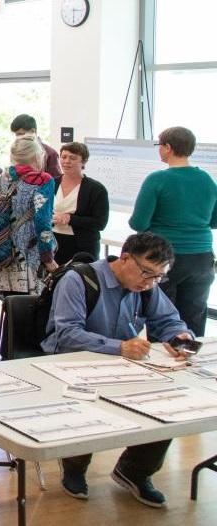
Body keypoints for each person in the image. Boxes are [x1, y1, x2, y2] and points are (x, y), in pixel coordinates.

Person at [43, 232, 193, 508]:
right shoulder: (79, 280)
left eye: (159, 277)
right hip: (70, 363)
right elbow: (67, 334)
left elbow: (169, 320)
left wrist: (180, 336)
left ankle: (135, 470)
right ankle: (75, 466)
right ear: (125, 258)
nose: (151, 282)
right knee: (87, 400)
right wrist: (119, 347)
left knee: (167, 400)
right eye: (147, 273)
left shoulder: (146, 287)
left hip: (122, 364)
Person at [130, 126, 217, 336]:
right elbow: (214, 221)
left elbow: (139, 223)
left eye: (159, 145)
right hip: (202, 257)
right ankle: (190, 362)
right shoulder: (207, 179)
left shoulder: (157, 179)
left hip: (164, 257)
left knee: (162, 319)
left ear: (168, 147)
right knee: (194, 318)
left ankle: (161, 365)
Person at [0, 135, 57, 296]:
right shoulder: (43, 180)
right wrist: (47, 257)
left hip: (1, 253)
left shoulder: (4, 177)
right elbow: (43, 220)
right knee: (27, 311)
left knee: (10, 310)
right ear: (37, 156)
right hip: (27, 255)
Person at [53, 142, 110, 265]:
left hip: (82, 246)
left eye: (72, 158)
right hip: (53, 243)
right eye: (63, 157)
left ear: (83, 162)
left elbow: (100, 223)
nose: (67, 161)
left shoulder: (96, 189)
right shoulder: (52, 183)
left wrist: (70, 219)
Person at [10, 114, 62, 181]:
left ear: (32, 131)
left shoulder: (50, 153)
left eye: (21, 134)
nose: (18, 138)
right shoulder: (15, 150)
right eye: (16, 135)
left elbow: (56, 181)